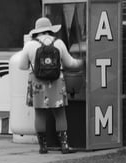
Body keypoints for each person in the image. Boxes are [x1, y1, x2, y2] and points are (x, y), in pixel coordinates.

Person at [17, 16, 84, 154]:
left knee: (40, 114)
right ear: (50, 29)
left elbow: (22, 66)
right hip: (57, 81)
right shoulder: (58, 43)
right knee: (60, 114)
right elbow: (70, 63)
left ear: (36, 31)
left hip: (37, 83)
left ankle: (43, 146)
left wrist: (34, 64)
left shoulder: (30, 45)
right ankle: (64, 145)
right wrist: (82, 62)